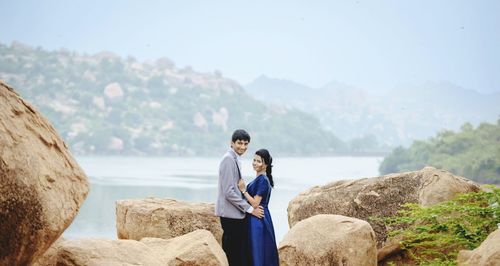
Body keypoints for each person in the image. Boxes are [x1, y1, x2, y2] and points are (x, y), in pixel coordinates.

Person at [215, 129, 264, 266]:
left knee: (237, 252)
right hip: (230, 216)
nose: (242, 147)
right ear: (232, 143)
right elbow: (228, 191)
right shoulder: (228, 159)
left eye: (245, 144)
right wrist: (249, 209)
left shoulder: (234, 158)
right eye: (239, 143)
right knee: (233, 254)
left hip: (235, 215)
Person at [238, 148, 279, 266]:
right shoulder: (259, 179)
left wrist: (244, 190)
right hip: (256, 217)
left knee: (258, 251)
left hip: (258, 218)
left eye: (258, 161)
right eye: (254, 160)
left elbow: (255, 203)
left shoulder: (263, 180)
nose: (255, 163)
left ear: (265, 164)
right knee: (257, 250)